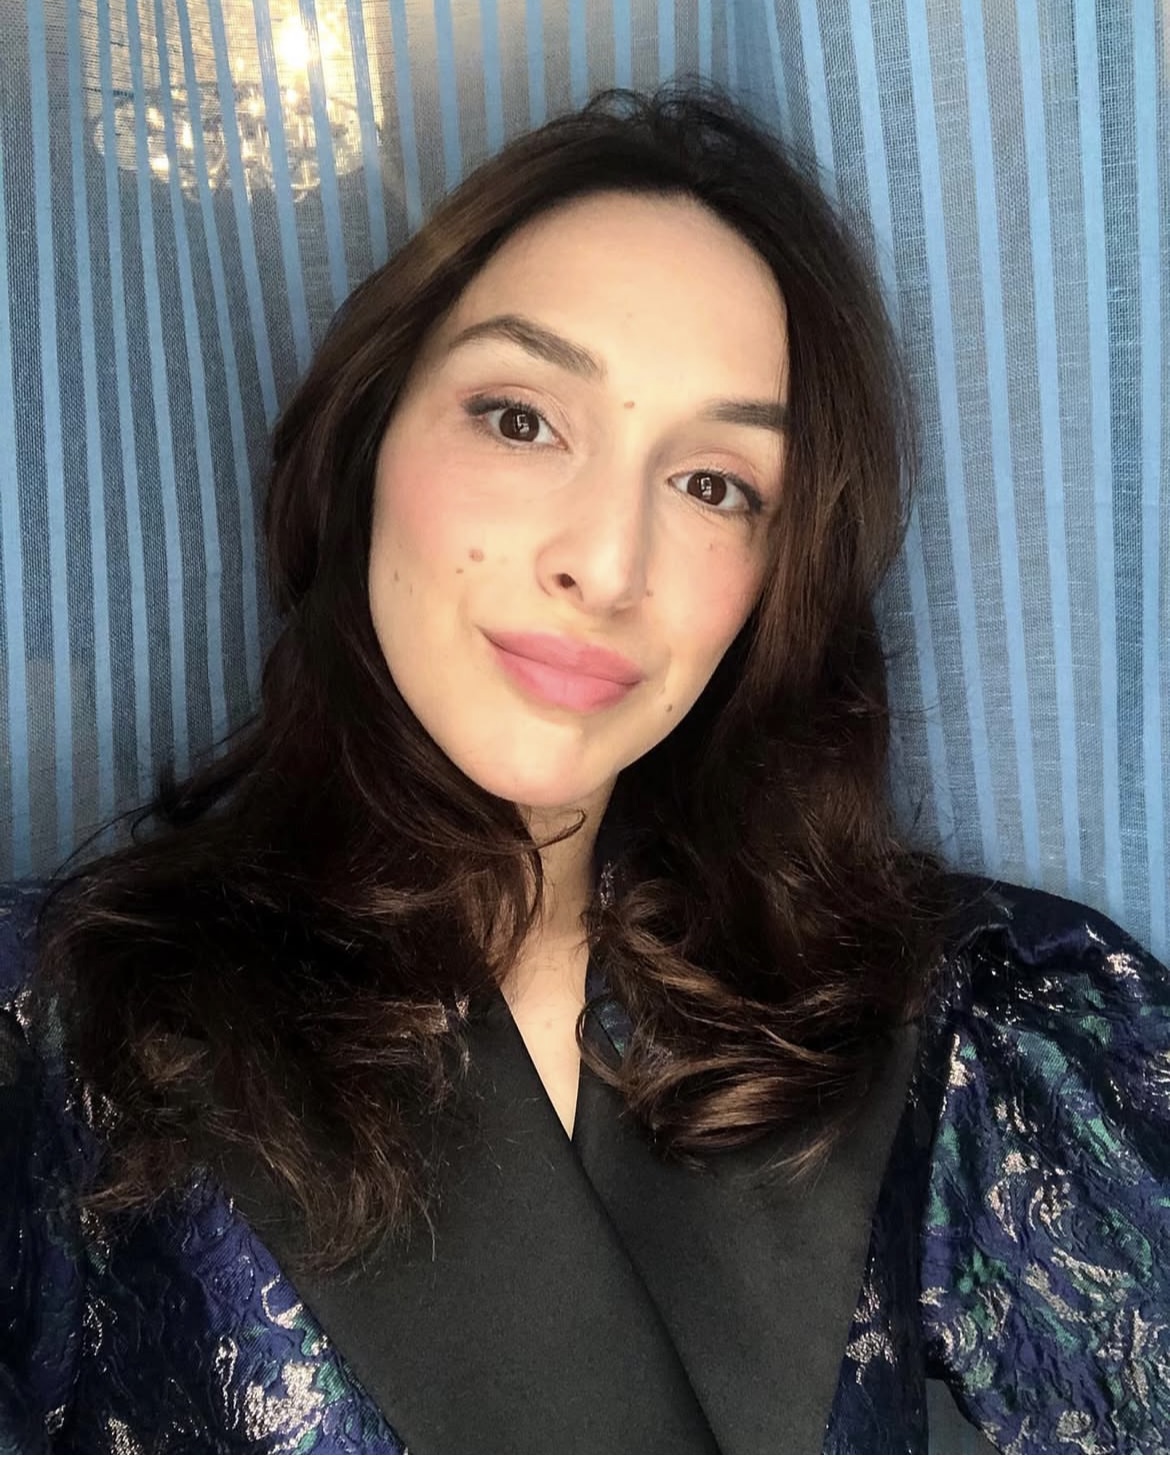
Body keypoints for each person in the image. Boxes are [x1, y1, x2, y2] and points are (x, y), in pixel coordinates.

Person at [1, 84, 1166, 1455]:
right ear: (369, 436)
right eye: (519, 419)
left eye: (715, 484)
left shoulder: (969, 1017)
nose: (607, 564)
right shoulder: (63, 1020)